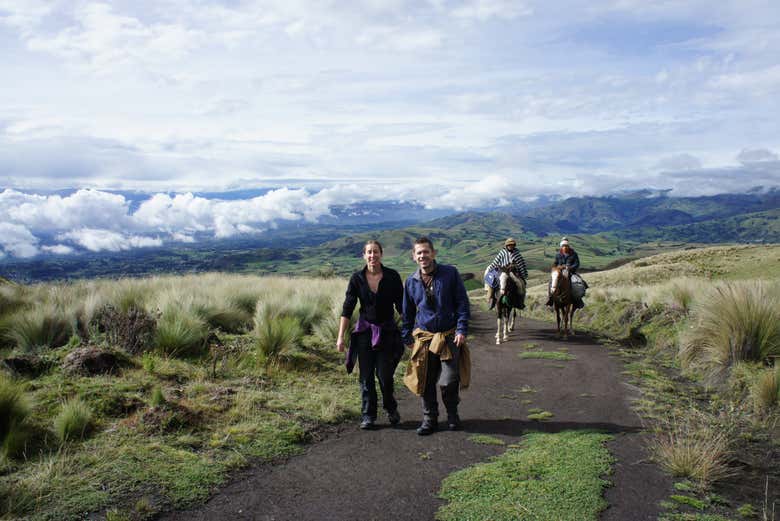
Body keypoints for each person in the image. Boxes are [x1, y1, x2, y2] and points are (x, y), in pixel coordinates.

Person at [401, 237, 471, 435]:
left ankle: (452, 414)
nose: (423, 256)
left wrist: (461, 329)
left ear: (433, 253)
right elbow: (407, 313)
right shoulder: (411, 281)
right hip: (424, 338)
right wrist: (407, 336)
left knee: (448, 381)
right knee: (425, 380)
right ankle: (429, 419)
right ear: (414, 257)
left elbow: (462, 303)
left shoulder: (450, 273)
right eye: (419, 253)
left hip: (449, 337)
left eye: (426, 251)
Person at [337, 240, 404, 430]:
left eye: (375, 252)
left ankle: (391, 409)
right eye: (369, 252)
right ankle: (368, 415)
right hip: (365, 332)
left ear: (381, 254)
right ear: (364, 256)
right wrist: (341, 336)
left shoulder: (392, 276)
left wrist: (410, 330)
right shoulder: (357, 278)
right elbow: (347, 309)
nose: (372, 255)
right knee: (365, 377)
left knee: (385, 376)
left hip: (387, 333)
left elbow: (401, 307)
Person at [484, 238, 528, 309]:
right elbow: (496, 261)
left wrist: (523, 274)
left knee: (520, 284)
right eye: (509, 245)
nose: (511, 246)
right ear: (506, 245)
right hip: (503, 271)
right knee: (494, 281)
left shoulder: (517, 254)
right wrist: (490, 269)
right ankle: (491, 298)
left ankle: (520, 302)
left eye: (512, 245)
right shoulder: (502, 252)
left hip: (513, 273)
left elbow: (521, 265)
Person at [546, 237, 584, 308]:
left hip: (570, 272)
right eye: (563, 246)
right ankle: (550, 298)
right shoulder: (558, 254)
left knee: (577, 282)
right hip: (560, 272)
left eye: (566, 246)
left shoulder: (574, 254)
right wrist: (556, 268)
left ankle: (578, 299)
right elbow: (555, 263)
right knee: (551, 282)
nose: (565, 247)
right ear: (561, 246)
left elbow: (577, 263)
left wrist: (570, 267)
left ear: (568, 246)